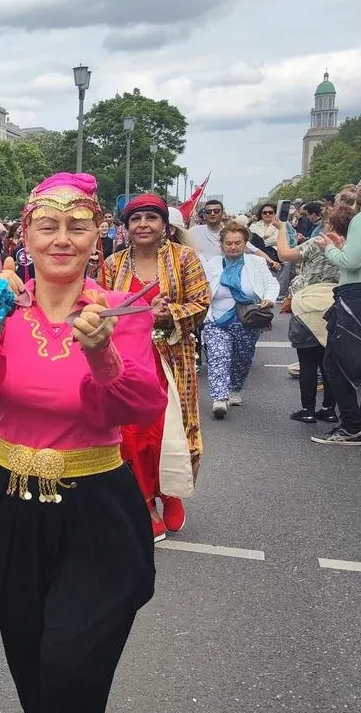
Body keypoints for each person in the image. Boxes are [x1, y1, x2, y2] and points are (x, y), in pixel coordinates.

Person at [0, 172, 165, 713]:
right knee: (29, 659)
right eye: (47, 226)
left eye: (77, 226)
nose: (62, 239)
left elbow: (143, 405)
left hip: (97, 507)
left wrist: (102, 355)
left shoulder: (119, 310)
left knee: (71, 668)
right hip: (10, 502)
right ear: (26, 234)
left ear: (97, 237)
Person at [98, 193, 211, 541]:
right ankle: (145, 503)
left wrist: (167, 314)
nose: (143, 224)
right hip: (128, 363)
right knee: (132, 436)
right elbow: (100, 308)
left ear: (164, 224)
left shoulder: (184, 258)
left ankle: (170, 492)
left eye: (151, 217)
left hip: (171, 359)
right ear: (126, 227)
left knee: (168, 432)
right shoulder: (113, 264)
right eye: (136, 219)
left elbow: (201, 301)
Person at [314, 168, 361, 445]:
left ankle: (351, 425)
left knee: (335, 361)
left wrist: (328, 249)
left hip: (358, 296)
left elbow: (351, 263)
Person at [201, 223, 280, 419]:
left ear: (245, 244)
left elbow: (270, 283)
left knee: (242, 359)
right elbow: (202, 290)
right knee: (219, 357)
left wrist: (269, 297)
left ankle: (234, 388)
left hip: (247, 319)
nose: (233, 247)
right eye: (228, 243)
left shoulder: (256, 263)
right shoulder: (211, 265)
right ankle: (219, 398)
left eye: (238, 243)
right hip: (217, 320)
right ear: (222, 245)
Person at [277, 204, 347, 425]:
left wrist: (281, 227)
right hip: (335, 304)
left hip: (307, 303)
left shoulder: (319, 242)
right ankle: (329, 409)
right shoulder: (351, 245)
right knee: (331, 362)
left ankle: (307, 409)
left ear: (329, 222)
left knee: (307, 362)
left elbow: (285, 254)